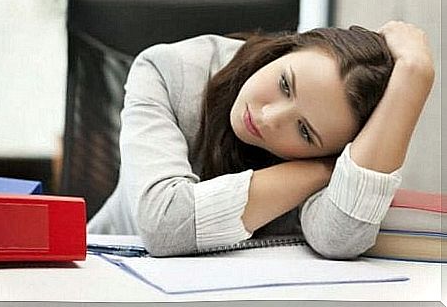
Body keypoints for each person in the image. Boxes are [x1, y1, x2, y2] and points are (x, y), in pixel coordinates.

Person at [87, 20, 435, 258]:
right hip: (108, 268)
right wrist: (322, 169)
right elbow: (164, 224)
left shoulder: (336, 136)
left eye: (304, 131)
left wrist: (414, 76)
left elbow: (337, 238)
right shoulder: (168, 70)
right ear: (285, 49)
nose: (268, 118)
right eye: (285, 84)